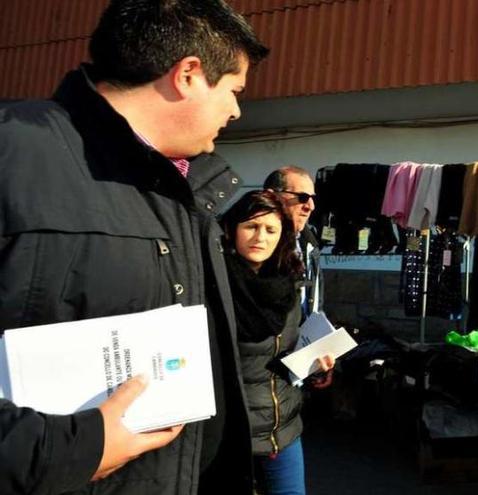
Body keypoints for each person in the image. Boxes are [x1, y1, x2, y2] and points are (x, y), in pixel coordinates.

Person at [0, 1, 268, 494]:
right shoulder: (14, 151)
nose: (236, 111)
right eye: (234, 91)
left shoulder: (193, 191)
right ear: (188, 74)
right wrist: (63, 450)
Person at [221, 190, 334, 495]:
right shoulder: (213, 286)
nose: (260, 237)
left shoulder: (287, 284)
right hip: (229, 438)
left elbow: (287, 354)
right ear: (232, 230)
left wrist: (315, 369)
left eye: (271, 229)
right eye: (251, 226)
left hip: (283, 431)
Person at [263, 167, 333, 388]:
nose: (310, 206)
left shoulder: (309, 243)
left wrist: (319, 357)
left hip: (299, 369)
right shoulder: (258, 248)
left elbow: (312, 302)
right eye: (302, 197)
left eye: (312, 198)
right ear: (272, 196)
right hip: (265, 372)